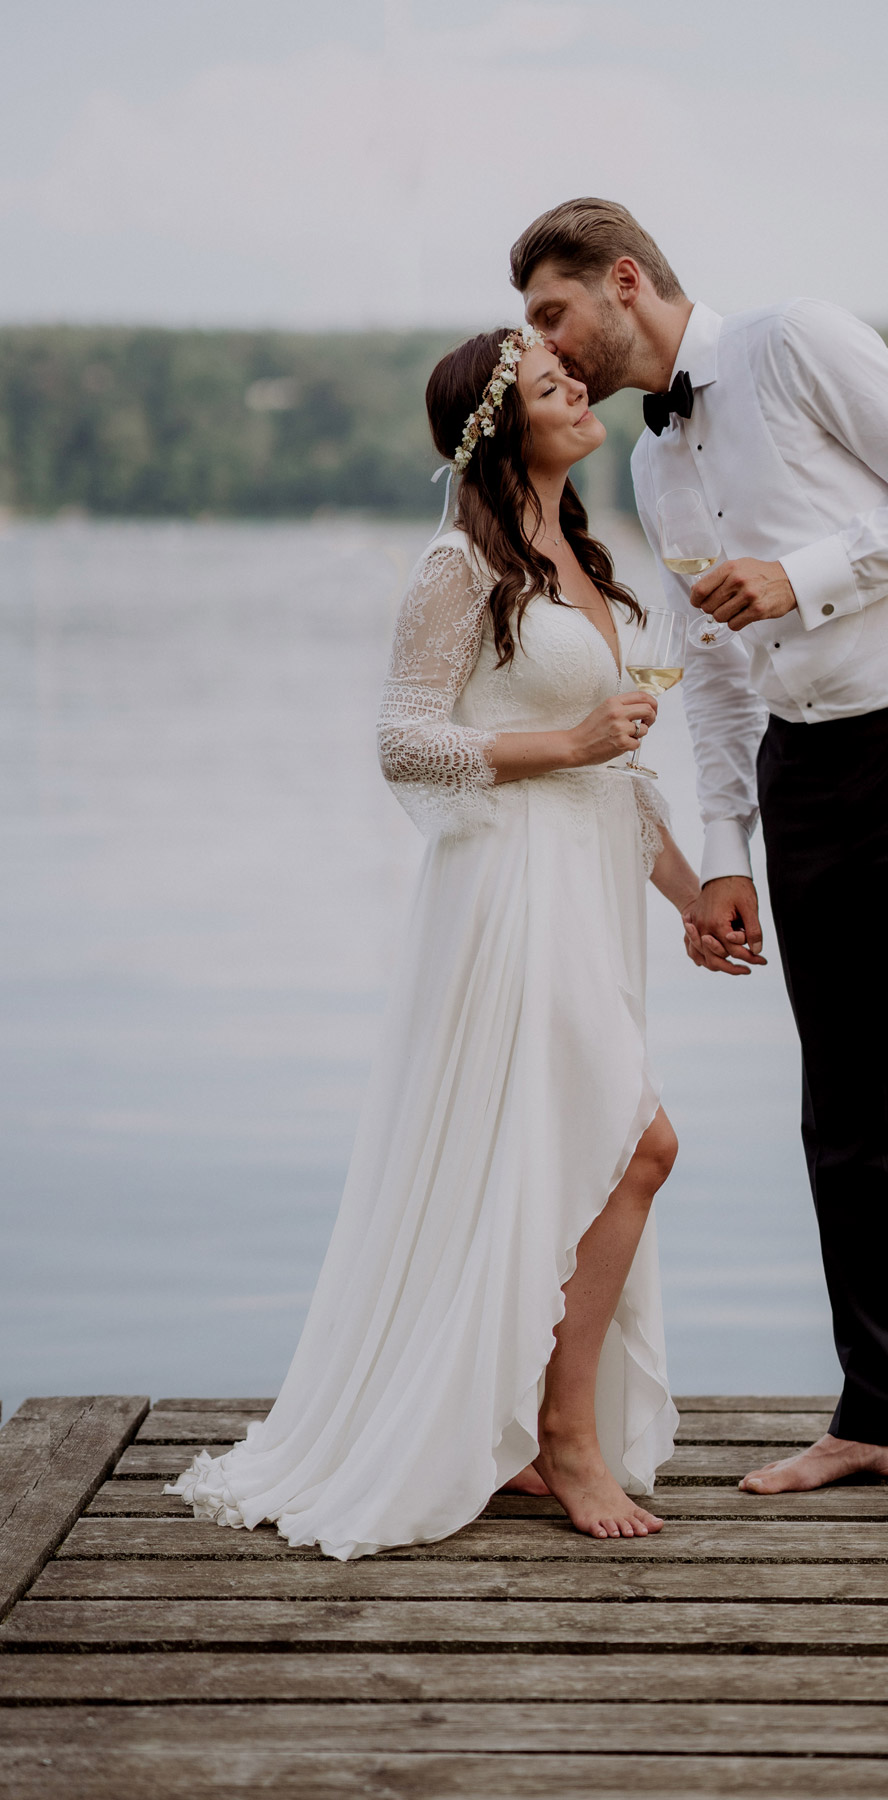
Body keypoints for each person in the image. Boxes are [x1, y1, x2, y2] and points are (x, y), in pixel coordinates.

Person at [512, 197, 888, 1563]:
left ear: (624, 280)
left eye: (556, 312)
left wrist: (803, 574)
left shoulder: (798, 343)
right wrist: (727, 857)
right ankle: (877, 1412)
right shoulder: (655, 464)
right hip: (806, 780)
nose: (547, 346)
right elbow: (715, 678)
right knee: (843, 1105)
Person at [167, 323, 702, 1554]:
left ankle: (516, 1427)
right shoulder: (460, 565)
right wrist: (565, 744)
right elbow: (403, 740)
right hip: (510, 894)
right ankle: (566, 1440)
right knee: (640, 1143)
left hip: (593, 889)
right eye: (559, 387)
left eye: (579, 381)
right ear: (502, 427)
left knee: (574, 1149)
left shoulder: (581, 556)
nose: (585, 394)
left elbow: (622, 780)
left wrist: (694, 896)